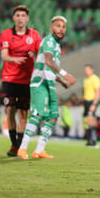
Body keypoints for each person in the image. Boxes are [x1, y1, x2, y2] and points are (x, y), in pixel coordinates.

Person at [17, 16, 76, 159]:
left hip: (49, 82)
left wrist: (62, 82)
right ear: (51, 28)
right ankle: (22, 148)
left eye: (63, 27)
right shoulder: (49, 41)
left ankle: (39, 150)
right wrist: (65, 74)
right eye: (58, 26)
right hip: (40, 83)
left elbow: (48, 67)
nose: (61, 29)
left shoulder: (56, 44)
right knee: (38, 114)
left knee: (53, 117)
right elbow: (49, 62)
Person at [0, 5, 41, 156]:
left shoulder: (35, 35)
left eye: (23, 15)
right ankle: (13, 145)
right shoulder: (6, 34)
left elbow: (41, 57)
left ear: (27, 18)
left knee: (23, 114)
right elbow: (4, 56)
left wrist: (33, 56)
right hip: (9, 78)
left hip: (27, 80)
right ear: (13, 18)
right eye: (18, 15)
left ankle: (20, 146)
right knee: (10, 110)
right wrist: (15, 59)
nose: (20, 18)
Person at [83, 64, 100, 147]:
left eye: (87, 70)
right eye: (85, 70)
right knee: (87, 121)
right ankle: (89, 139)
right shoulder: (85, 79)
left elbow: (97, 92)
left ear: (92, 70)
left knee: (91, 120)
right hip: (86, 101)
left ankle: (93, 140)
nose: (86, 71)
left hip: (92, 101)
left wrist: (94, 104)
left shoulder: (95, 78)